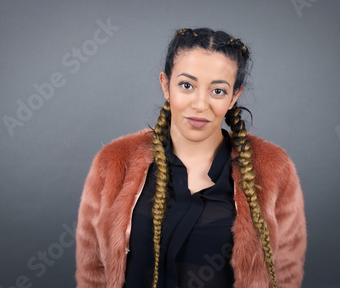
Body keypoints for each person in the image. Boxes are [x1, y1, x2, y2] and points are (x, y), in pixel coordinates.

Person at [75, 28, 307, 288]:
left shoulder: (274, 168)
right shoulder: (113, 161)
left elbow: (285, 273)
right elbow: (92, 271)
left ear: (234, 96)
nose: (199, 104)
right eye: (187, 85)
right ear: (165, 84)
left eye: (217, 91)